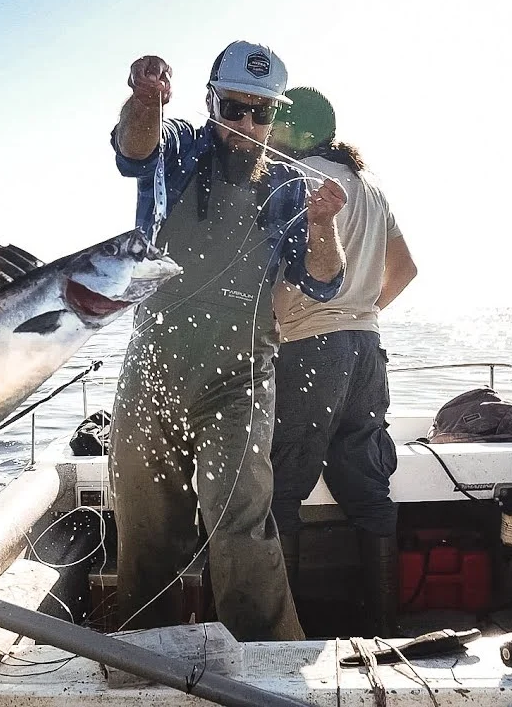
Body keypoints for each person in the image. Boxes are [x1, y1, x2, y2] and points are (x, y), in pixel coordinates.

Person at [108, 42, 346, 642]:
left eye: (260, 111)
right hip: (152, 370)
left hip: (239, 380)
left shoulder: (294, 188)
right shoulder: (179, 146)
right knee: (144, 526)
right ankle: (142, 655)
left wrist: (323, 228)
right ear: (210, 101)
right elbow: (133, 149)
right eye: (234, 107)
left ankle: (271, 668)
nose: (245, 124)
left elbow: (324, 282)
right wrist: (143, 100)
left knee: (240, 521)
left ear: (276, 115)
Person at [267, 86, 418, 636]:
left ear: (288, 129)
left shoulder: (288, 176)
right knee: (369, 490)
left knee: (281, 493)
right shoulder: (371, 190)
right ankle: (384, 629)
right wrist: (363, 309)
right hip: (366, 349)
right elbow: (405, 270)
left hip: (309, 350)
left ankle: (285, 639)